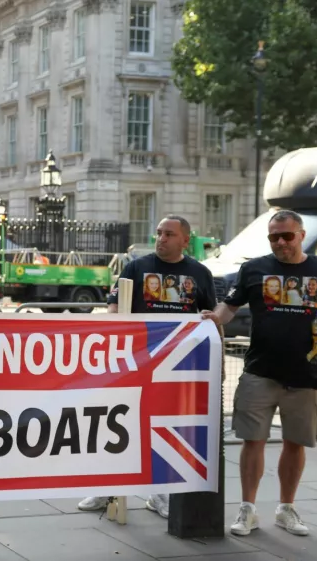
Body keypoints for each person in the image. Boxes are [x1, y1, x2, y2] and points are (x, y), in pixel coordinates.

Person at [202, 210, 317, 537]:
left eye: (286, 236)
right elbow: (229, 307)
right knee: (252, 441)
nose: (280, 242)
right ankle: (247, 509)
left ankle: (286, 509)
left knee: (295, 443)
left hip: (306, 374)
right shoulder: (254, 268)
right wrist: (212, 319)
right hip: (260, 371)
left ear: (301, 235)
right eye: (274, 236)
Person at [78, 215, 216, 520]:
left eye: (169, 234)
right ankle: (107, 489)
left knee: (164, 426)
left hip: (175, 366)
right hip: (135, 363)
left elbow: (209, 315)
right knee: (118, 425)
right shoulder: (136, 268)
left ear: (184, 240)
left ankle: (160, 493)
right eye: (158, 233)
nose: (161, 238)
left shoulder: (199, 273)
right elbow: (114, 307)